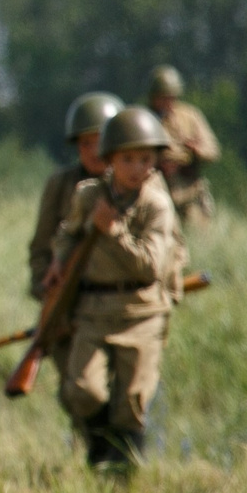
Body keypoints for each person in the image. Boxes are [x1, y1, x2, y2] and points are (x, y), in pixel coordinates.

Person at [46, 105, 185, 471]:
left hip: (141, 312)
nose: (137, 168)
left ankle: (124, 471)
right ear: (110, 160)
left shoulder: (156, 206)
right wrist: (59, 260)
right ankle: (100, 447)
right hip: (94, 309)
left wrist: (115, 232)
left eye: (145, 159)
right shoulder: (88, 195)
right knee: (81, 389)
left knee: (133, 401)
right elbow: (68, 232)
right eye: (127, 159)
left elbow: (151, 265)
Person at [29, 92, 121, 296]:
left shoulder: (137, 186)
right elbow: (41, 246)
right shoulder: (60, 184)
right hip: (72, 291)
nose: (93, 151)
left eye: (99, 141)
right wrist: (45, 290)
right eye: (85, 143)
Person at [146, 65, 220, 229]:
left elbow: (213, 151)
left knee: (198, 238)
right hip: (155, 191)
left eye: (170, 97)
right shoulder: (144, 120)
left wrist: (196, 149)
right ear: (153, 97)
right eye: (162, 98)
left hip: (189, 190)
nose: (167, 102)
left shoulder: (190, 116)